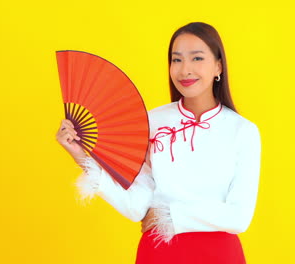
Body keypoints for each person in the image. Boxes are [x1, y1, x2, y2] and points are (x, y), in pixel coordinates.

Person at [56, 22, 261, 264]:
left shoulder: (243, 131)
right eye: (176, 60)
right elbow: (136, 206)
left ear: (218, 66)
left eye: (197, 58)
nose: (185, 70)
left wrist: (169, 215)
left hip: (219, 255)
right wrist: (80, 156)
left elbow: (239, 217)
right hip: (159, 254)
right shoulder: (151, 122)